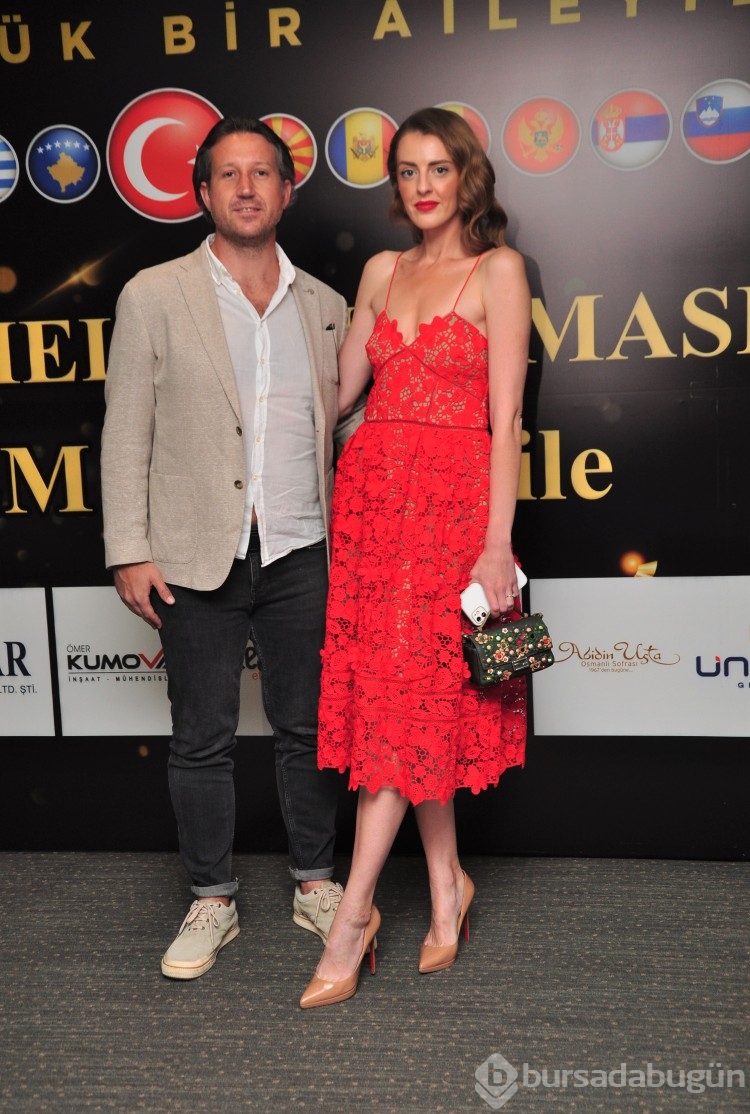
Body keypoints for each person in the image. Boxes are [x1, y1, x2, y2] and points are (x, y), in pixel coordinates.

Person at [101, 116, 363, 979]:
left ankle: (316, 881)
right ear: (203, 193)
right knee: (201, 738)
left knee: (308, 728)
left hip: (303, 548)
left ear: (288, 191)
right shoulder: (153, 294)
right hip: (191, 552)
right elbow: (124, 429)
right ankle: (212, 897)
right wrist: (128, 547)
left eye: (262, 173)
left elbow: (345, 430)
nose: (246, 188)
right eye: (228, 175)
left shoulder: (326, 306)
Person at [299, 107, 531, 1008]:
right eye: (407, 170)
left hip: (452, 518)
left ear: (467, 177)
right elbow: (341, 393)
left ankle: (353, 916)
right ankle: (445, 890)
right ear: (394, 183)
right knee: (409, 707)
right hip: (372, 514)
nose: (423, 185)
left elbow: (505, 420)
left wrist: (496, 545)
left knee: (408, 708)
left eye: (439, 168)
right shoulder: (380, 271)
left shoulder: (497, 270)